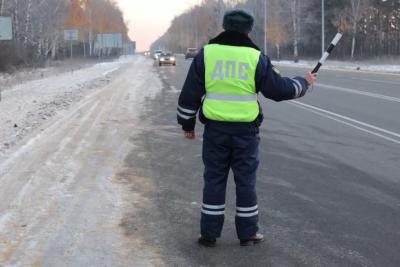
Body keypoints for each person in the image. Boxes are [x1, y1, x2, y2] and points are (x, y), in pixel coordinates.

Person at [177, 8, 317, 247]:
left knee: (214, 181)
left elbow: (190, 94)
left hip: (215, 132)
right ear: (249, 30)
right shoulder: (255, 57)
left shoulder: (207, 54)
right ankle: (248, 234)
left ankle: (209, 235)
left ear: (224, 26)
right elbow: (278, 89)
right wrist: (303, 82)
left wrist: (187, 124)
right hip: (246, 134)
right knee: (245, 182)